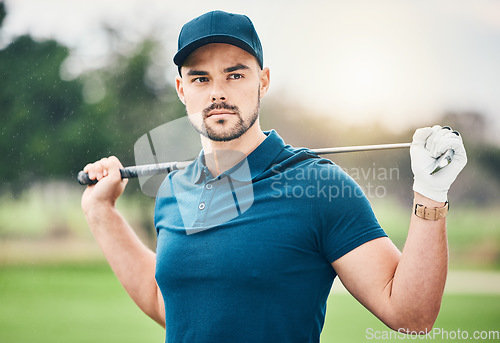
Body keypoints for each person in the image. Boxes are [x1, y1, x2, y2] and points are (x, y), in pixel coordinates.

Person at [81, 10, 467, 343]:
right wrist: (102, 213)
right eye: (201, 79)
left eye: (235, 75)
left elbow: (411, 316)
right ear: (182, 89)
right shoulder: (173, 190)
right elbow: (168, 302)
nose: (218, 92)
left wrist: (430, 192)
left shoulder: (318, 187)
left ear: (263, 80)